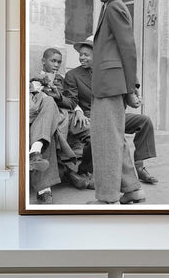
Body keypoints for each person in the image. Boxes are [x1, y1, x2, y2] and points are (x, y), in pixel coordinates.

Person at [81, 0, 145, 205]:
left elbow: (128, 49)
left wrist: (131, 88)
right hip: (108, 83)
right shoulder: (109, 6)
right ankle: (133, 189)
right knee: (113, 138)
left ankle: (107, 198)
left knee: (106, 140)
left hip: (111, 85)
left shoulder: (115, 7)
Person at [62, 36, 158, 187]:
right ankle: (87, 170)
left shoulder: (109, 73)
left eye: (86, 55)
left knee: (144, 121)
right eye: (81, 54)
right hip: (90, 117)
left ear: (97, 55)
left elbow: (127, 71)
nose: (82, 58)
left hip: (113, 115)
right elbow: (70, 99)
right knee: (97, 133)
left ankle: (139, 166)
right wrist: (77, 109)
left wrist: (134, 94)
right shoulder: (73, 75)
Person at [28, 47, 87, 204]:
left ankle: (37, 154)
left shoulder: (62, 79)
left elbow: (71, 99)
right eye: (53, 61)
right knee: (47, 102)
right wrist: (37, 86)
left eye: (59, 62)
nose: (56, 64)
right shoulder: (34, 78)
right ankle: (47, 184)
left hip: (57, 116)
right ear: (43, 61)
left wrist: (78, 109)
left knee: (51, 124)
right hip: (38, 114)